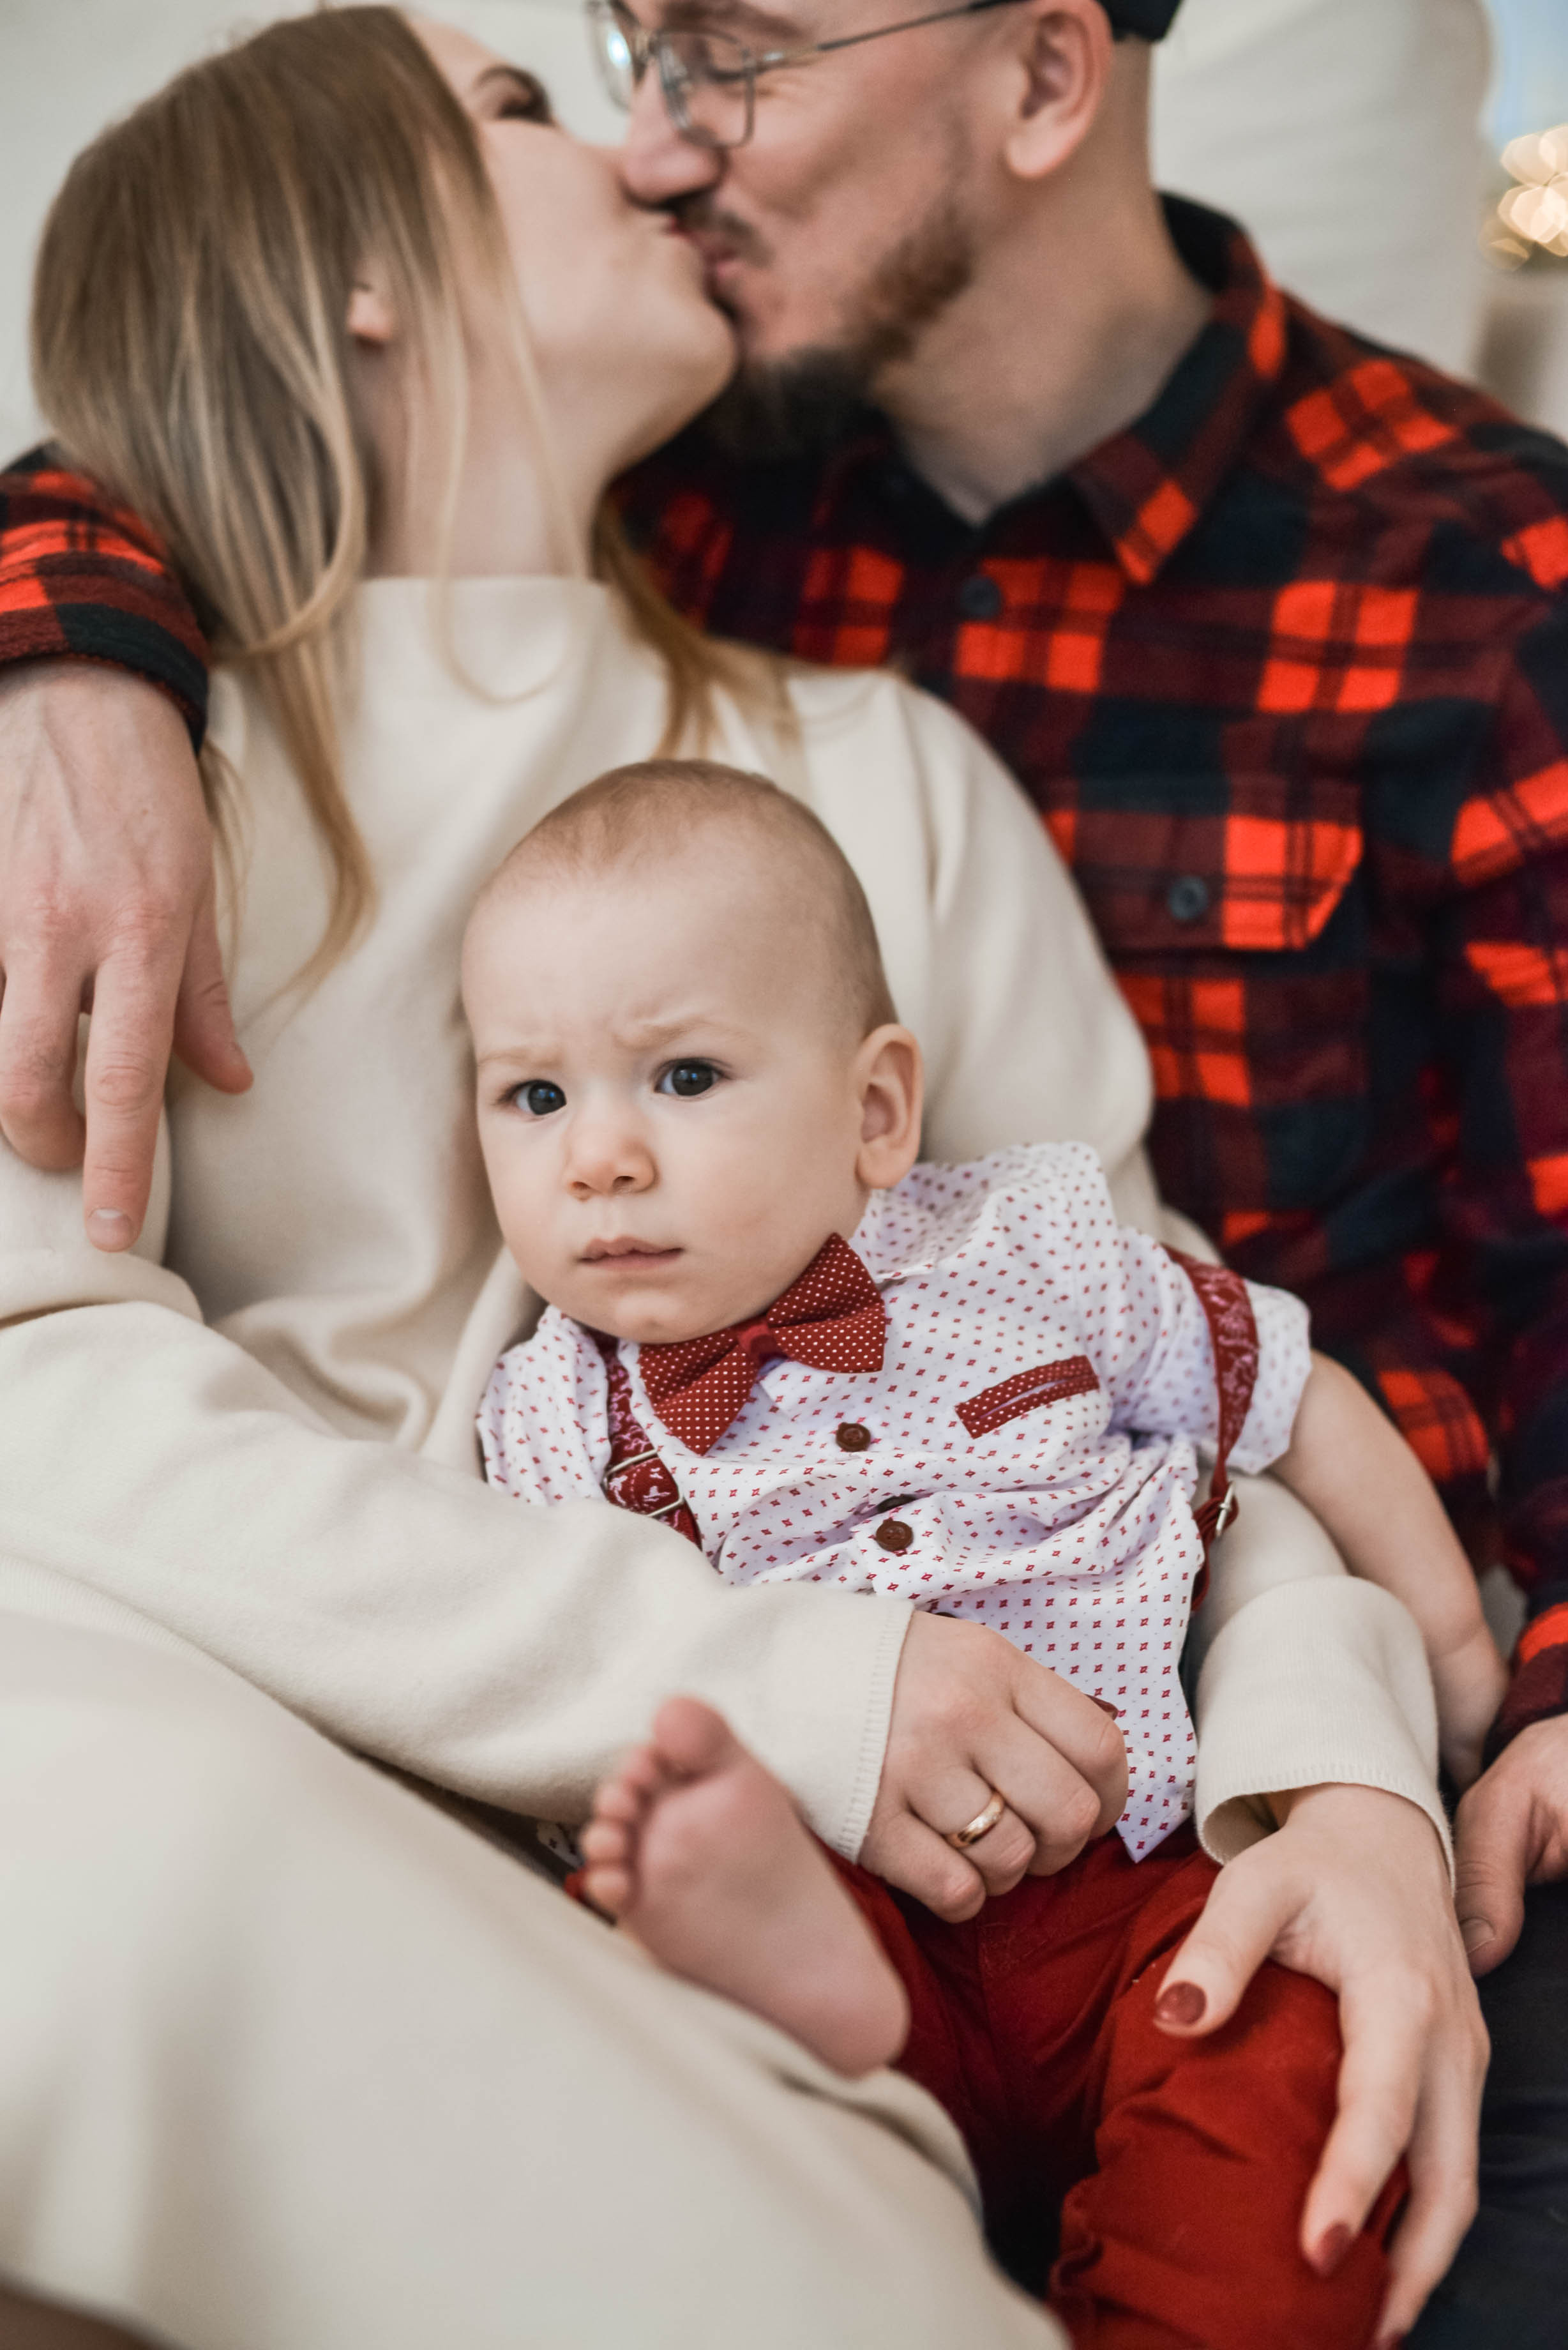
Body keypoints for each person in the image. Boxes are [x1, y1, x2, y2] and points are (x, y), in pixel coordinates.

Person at [0, 7, 1480, 2345]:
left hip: (857, 1848)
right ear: (351, 265)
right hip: (313, 1723)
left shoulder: (868, 765)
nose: (648, 149)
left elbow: (1130, 1352)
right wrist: (63, 655)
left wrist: (1330, 1784)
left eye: (707, 66)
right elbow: (38, 1399)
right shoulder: (95, 774)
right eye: (535, 104)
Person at [464, 754, 1509, 2345]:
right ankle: (818, 2005)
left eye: (680, 1076)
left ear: (876, 1108)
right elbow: (558, 1651)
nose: (596, 1157)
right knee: (710, 2050)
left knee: (1276, 2070)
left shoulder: (1031, 1249)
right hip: (855, 1877)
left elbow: (1289, 1391)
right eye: (535, 1096)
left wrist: (1443, 1661)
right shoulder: (550, 1412)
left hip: (1148, 1878)